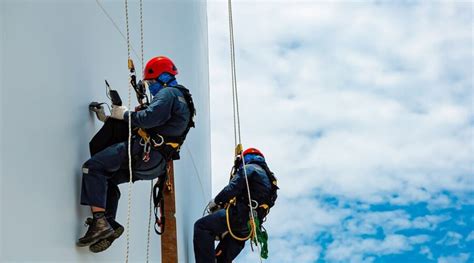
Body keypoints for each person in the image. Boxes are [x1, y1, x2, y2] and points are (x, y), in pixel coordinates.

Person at [77, 56, 195, 253]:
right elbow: (154, 124)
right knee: (109, 180)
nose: (150, 88)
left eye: (151, 82)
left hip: (144, 152)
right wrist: (108, 119)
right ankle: (107, 223)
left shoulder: (169, 93)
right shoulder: (184, 101)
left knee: (94, 167)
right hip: (155, 165)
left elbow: (146, 119)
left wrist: (122, 113)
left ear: (163, 77)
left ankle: (100, 222)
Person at [193, 148, 277, 263]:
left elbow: (233, 188)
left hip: (238, 216)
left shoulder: (249, 169)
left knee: (202, 227)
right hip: (248, 228)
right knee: (221, 259)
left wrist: (217, 201)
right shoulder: (271, 180)